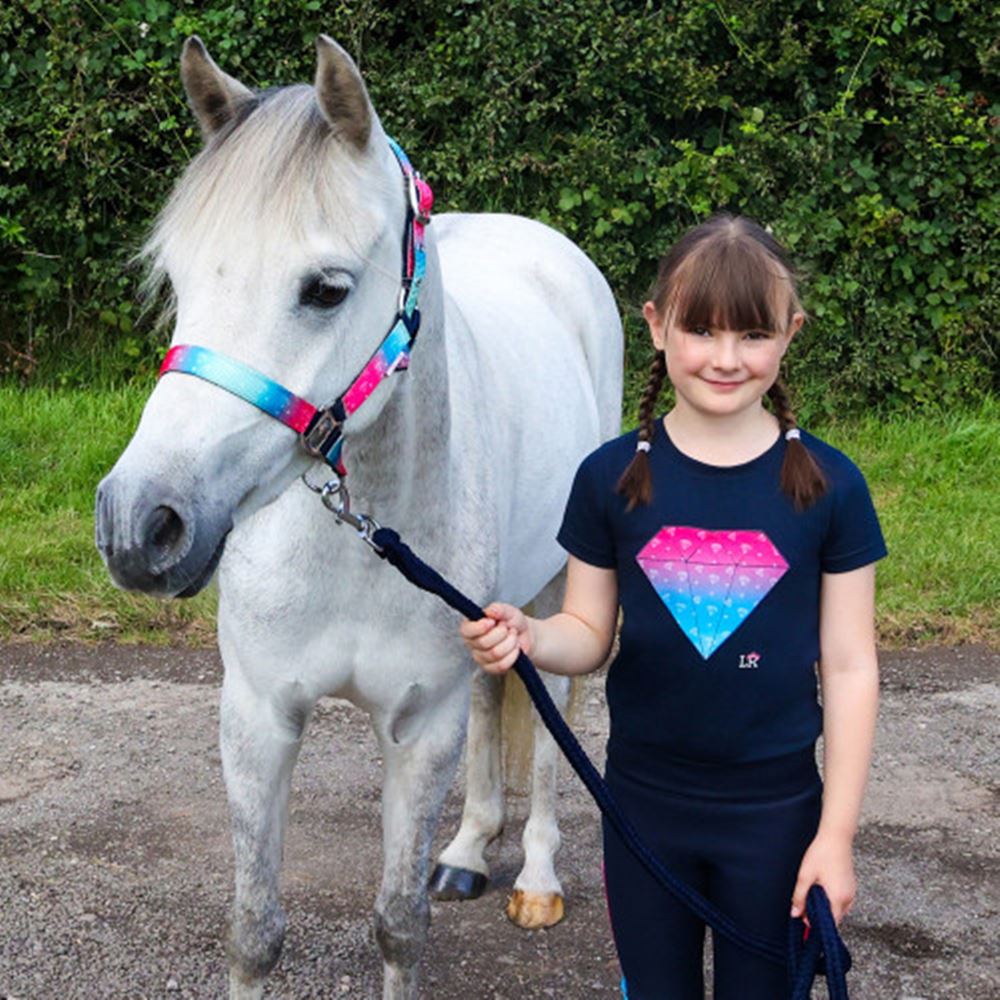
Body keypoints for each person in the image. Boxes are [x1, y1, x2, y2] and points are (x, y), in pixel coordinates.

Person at [459, 214, 886, 999]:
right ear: (657, 327)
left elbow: (853, 666)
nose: (726, 359)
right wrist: (529, 634)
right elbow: (586, 632)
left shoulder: (832, 487)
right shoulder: (609, 478)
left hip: (779, 817)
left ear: (791, 333)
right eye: (701, 330)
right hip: (643, 813)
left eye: (754, 334)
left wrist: (836, 835)